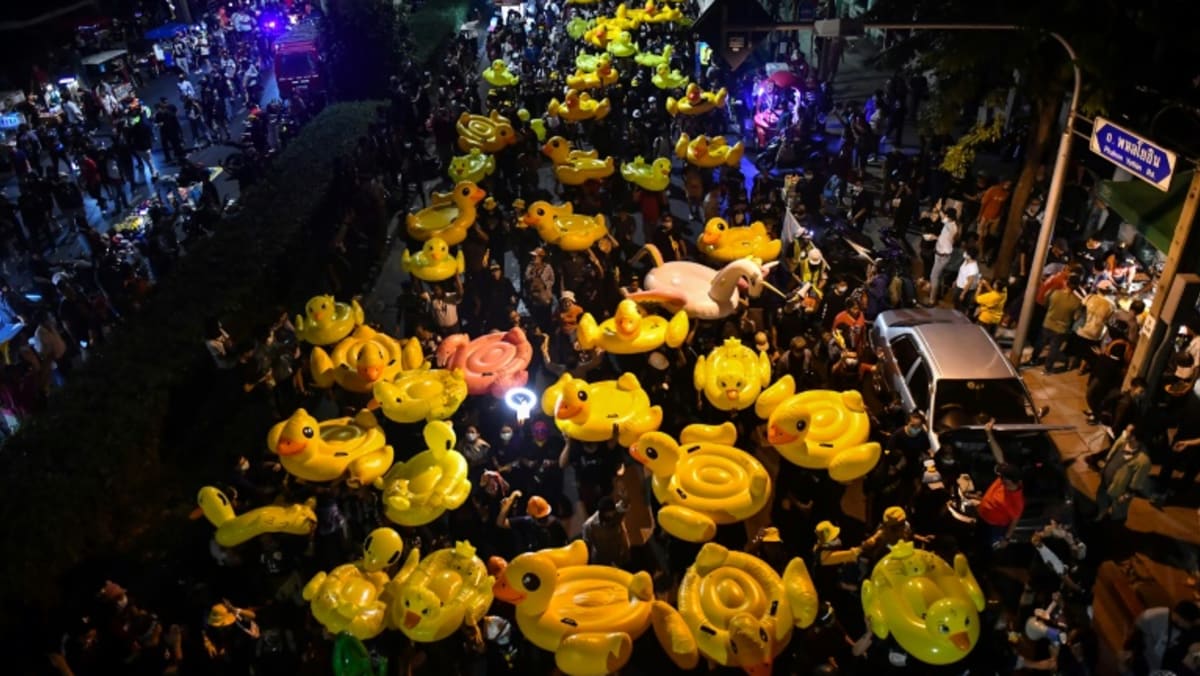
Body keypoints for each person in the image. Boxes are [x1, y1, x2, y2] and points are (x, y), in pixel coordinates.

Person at [979, 419, 1026, 548]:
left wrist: (1006, 539)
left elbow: (1014, 522)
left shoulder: (1017, 501)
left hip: (993, 527)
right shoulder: (1005, 480)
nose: (1000, 477)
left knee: (987, 549)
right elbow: (999, 457)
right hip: (982, 519)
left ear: (1010, 481)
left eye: (1003, 477)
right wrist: (989, 434)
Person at [1095, 426, 1153, 523]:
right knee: (1101, 503)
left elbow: (1137, 482)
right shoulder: (1122, 442)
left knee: (1118, 514)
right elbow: (1111, 455)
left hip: (1118, 493)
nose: (1124, 432)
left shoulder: (1143, 461)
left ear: (1134, 437)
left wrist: (1126, 496)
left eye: (1127, 431)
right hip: (1105, 484)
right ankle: (1099, 516)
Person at [1125, 601, 1200, 675]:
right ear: (1183, 619)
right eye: (1190, 623)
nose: (1190, 626)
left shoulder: (1185, 630)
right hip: (1146, 661)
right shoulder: (1154, 617)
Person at [496, 490, 567, 553]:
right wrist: (511, 500)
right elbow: (500, 523)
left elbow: (564, 545)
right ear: (532, 517)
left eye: (545, 517)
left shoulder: (556, 524)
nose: (543, 521)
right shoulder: (526, 522)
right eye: (540, 519)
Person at [581, 496, 630, 568]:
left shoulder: (616, 511)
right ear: (602, 512)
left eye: (612, 512)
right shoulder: (589, 525)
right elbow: (587, 545)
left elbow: (624, 505)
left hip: (619, 555)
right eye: (608, 513)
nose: (611, 515)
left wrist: (625, 497)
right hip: (602, 561)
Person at [927, 207, 959, 305]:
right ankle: (937, 293)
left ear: (949, 217)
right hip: (939, 253)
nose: (944, 216)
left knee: (933, 276)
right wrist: (935, 237)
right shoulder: (948, 222)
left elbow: (942, 218)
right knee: (938, 276)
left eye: (946, 215)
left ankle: (932, 299)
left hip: (943, 256)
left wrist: (940, 210)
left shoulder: (952, 226)